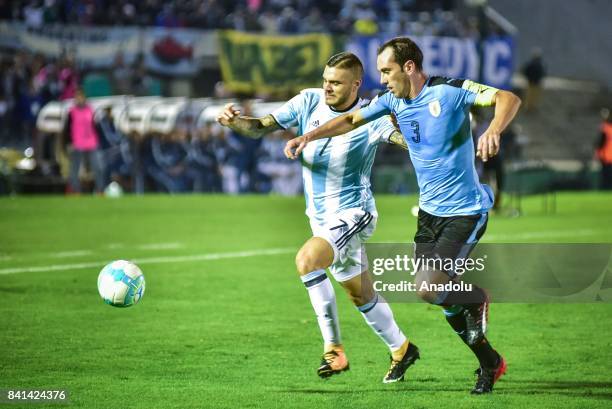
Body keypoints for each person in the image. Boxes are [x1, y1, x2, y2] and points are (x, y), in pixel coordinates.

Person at [284, 37, 522, 394]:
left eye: (386, 70)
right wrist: (309, 136)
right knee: (436, 297)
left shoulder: (450, 91)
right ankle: (490, 362)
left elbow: (508, 97)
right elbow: (350, 119)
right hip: (429, 214)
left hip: (465, 211)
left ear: (408, 67)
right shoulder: (393, 100)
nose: (382, 78)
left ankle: (474, 299)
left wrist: (493, 129)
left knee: (430, 286)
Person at [217, 52, 420, 383]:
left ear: (356, 84)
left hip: (355, 213)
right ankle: (402, 348)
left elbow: (409, 145)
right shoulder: (308, 101)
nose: (327, 88)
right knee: (360, 294)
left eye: (336, 83)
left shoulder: (371, 115)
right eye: (325, 80)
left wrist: (422, 133)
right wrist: (233, 122)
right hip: (321, 219)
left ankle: (334, 349)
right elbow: (259, 128)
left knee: (308, 260)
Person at [64, 89, 105, 193]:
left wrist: (98, 140)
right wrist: (68, 143)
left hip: (92, 142)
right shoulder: (71, 112)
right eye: (78, 97)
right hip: (77, 143)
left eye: (81, 97)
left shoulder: (90, 110)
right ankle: (75, 190)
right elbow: (67, 129)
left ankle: (100, 190)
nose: (80, 99)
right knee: (75, 169)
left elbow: (95, 126)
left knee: (98, 167)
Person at [596, 108, 612, 190]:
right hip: (608, 156)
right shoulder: (607, 128)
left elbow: (600, 143)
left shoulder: (605, 128)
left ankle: (606, 188)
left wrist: (598, 152)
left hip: (606, 156)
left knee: (606, 175)